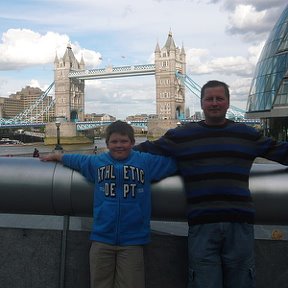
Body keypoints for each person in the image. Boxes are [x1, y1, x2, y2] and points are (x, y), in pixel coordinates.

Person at [134, 80, 288, 288]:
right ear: (202, 103)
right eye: (209, 99)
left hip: (239, 222)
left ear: (228, 103)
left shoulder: (247, 134)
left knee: (241, 282)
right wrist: (105, 160)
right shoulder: (181, 136)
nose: (214, 103)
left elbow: (281, 152)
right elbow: (140, 151)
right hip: (202, 223)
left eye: (219, 99)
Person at [40, 120, 177, 288]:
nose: (119, 145)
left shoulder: (146, 162)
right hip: (102, 237)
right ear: (107, 144)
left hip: (133, 240)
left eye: (124, 141)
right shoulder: (98, 162)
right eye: (114, 141)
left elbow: (175, 164)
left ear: (133, 143)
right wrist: (56, 156)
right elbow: (77, 160)